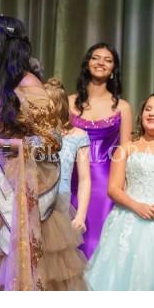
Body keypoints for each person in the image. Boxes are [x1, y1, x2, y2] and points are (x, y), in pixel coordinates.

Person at [0, 5, 86, 291]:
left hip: (22, 193)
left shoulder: (29, 84)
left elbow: (51, 143)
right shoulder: (4, 86)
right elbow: (16, 126)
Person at [86, 93, 154, 291]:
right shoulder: (126, 149)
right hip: (131, 221)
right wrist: (136, 206)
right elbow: (113, 189)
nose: (152, 113)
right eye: (148, 109)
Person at [68, 43, 133, 259]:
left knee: (97, 240)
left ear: (114, 69)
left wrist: (124, 187)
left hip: (105, 181)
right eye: (96, 58)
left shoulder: (122, 107)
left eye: (108, 60)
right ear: (87, 63)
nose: (101, 63)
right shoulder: (69, 102)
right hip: (70, 178)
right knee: (69, 240)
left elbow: (125, 150)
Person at [44, 78, 91, 233]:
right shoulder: (32, 134)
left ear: (58, 105)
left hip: (59, 206)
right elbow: (10, 148)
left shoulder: (78, 136)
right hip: (32, 204)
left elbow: (84, 179)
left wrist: (80, 216)